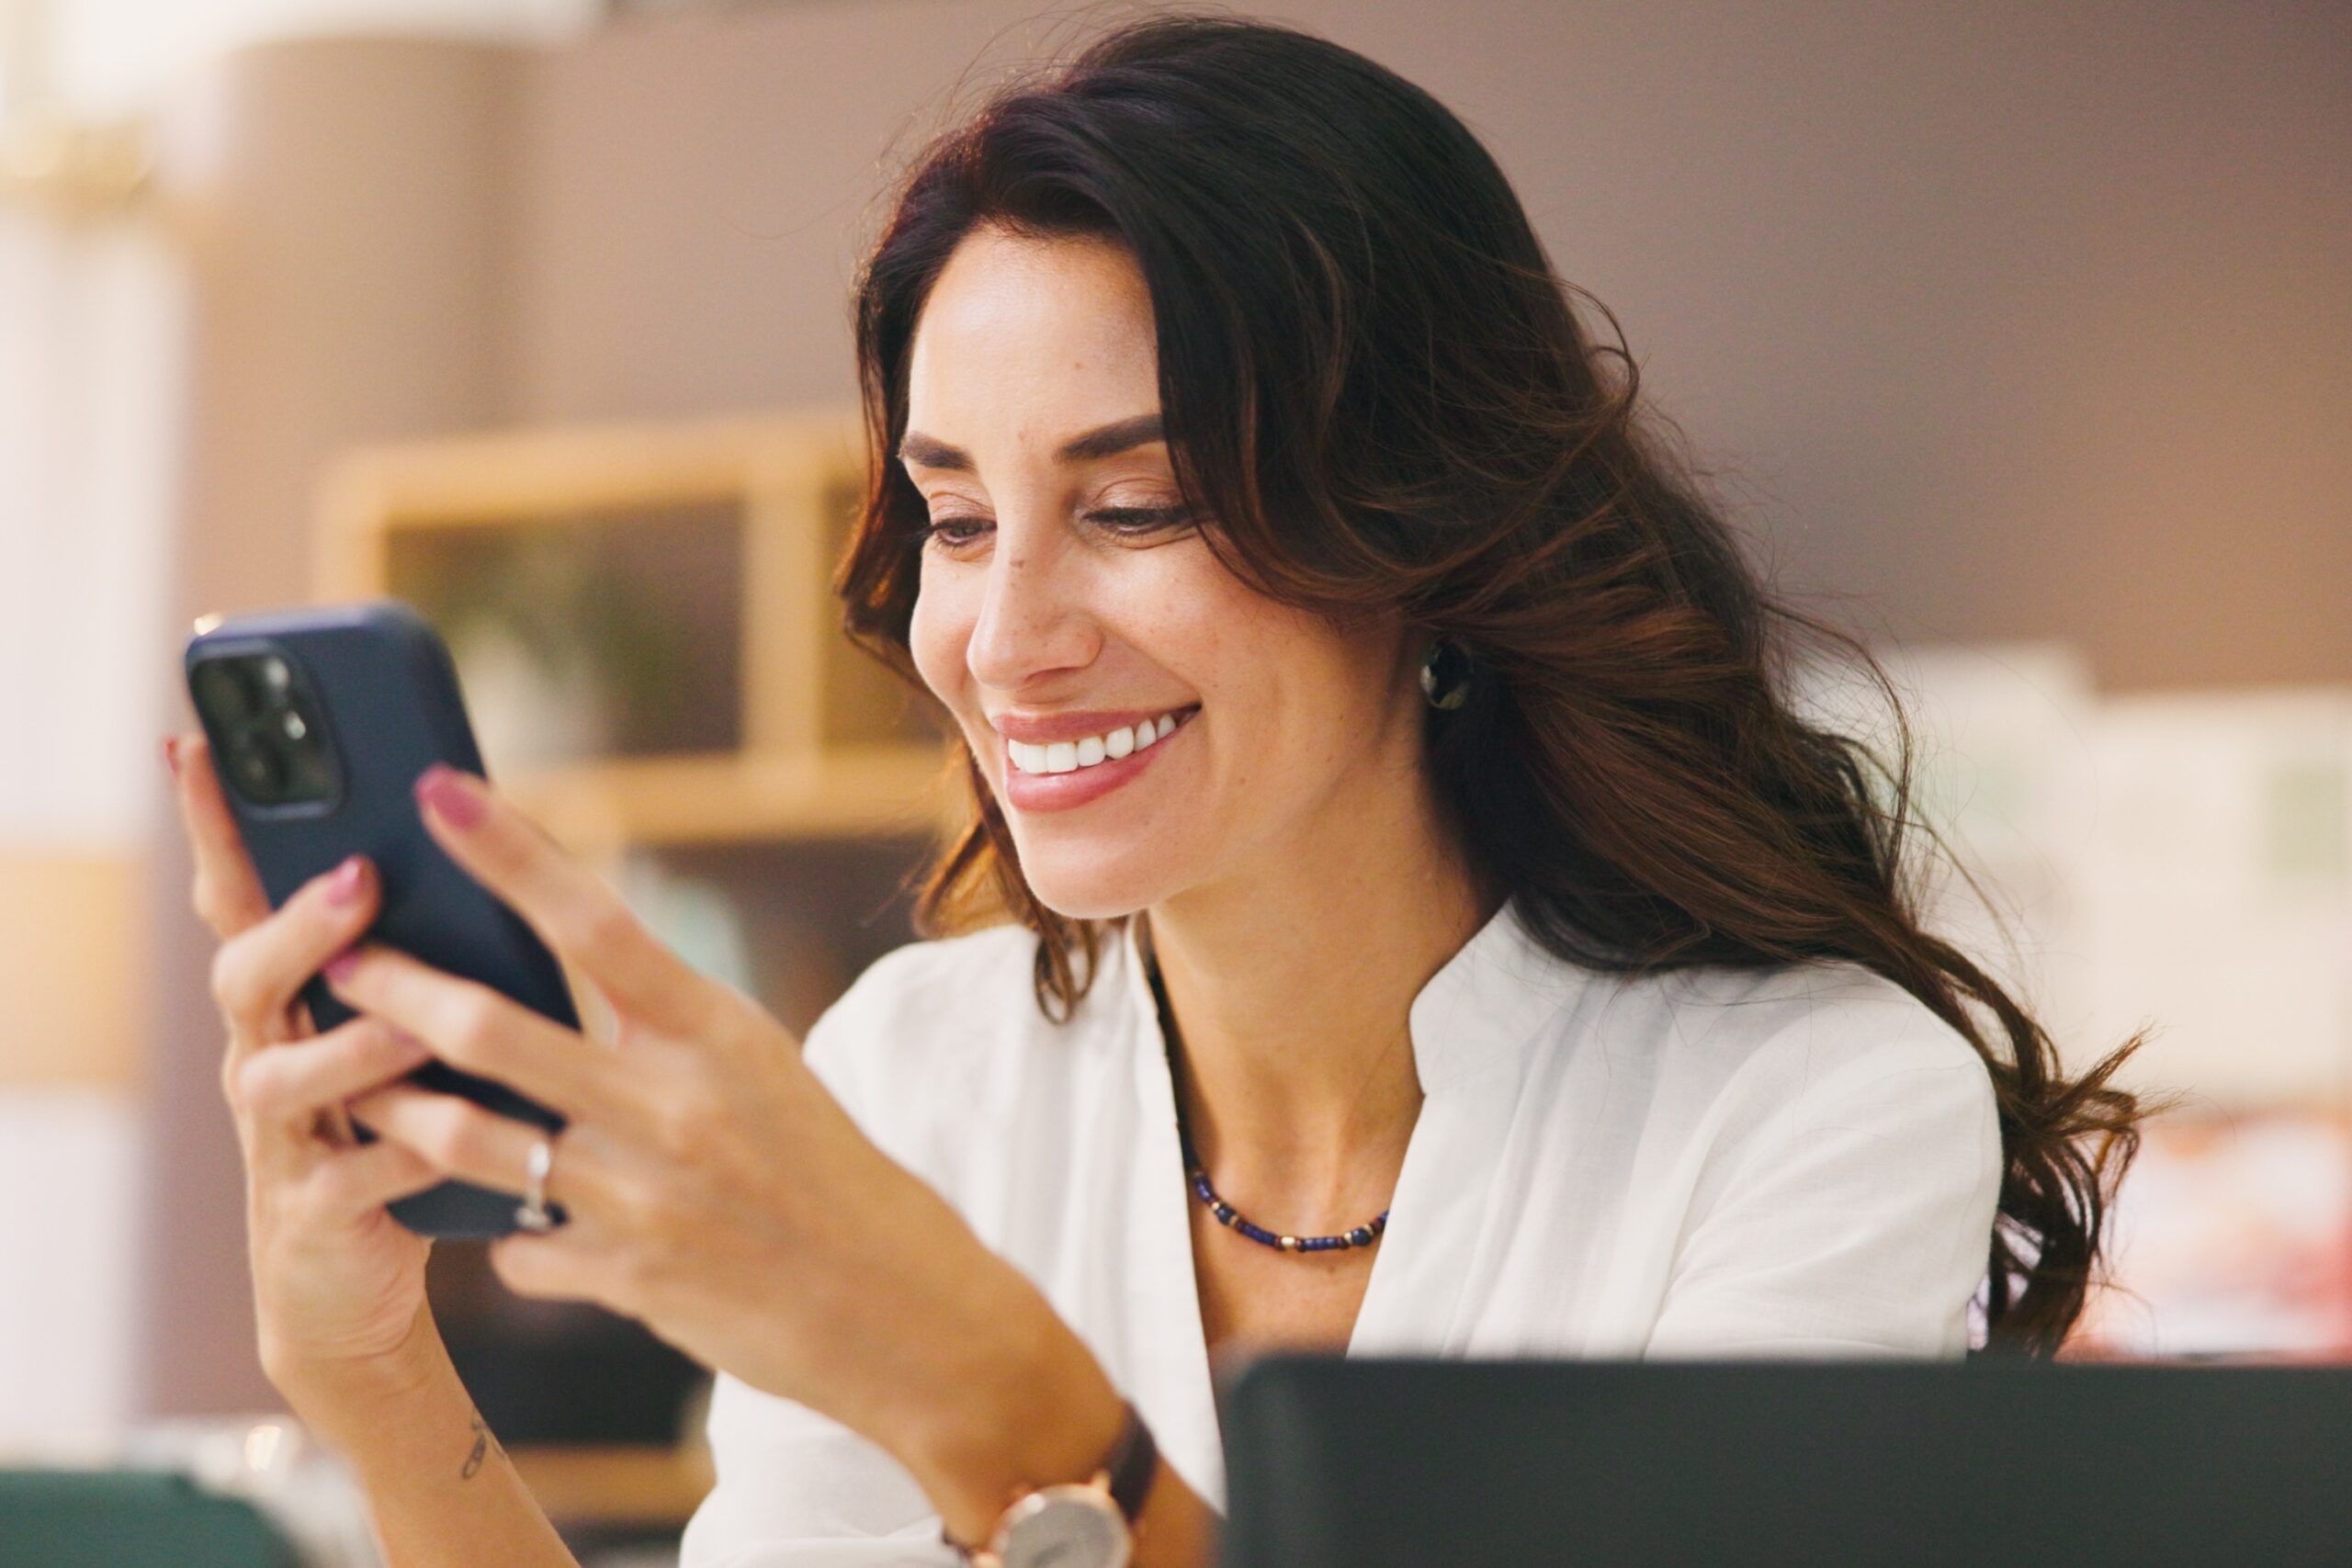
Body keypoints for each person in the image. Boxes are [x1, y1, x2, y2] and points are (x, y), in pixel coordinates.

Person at [166, 15, 2144, 1568]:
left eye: (1135, 506)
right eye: (955, 519)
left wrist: (999, 1402)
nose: (1005, 640)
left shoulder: (1807, 1107)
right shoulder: (915, 1076)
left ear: (1425, 535)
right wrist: (380, 1379)